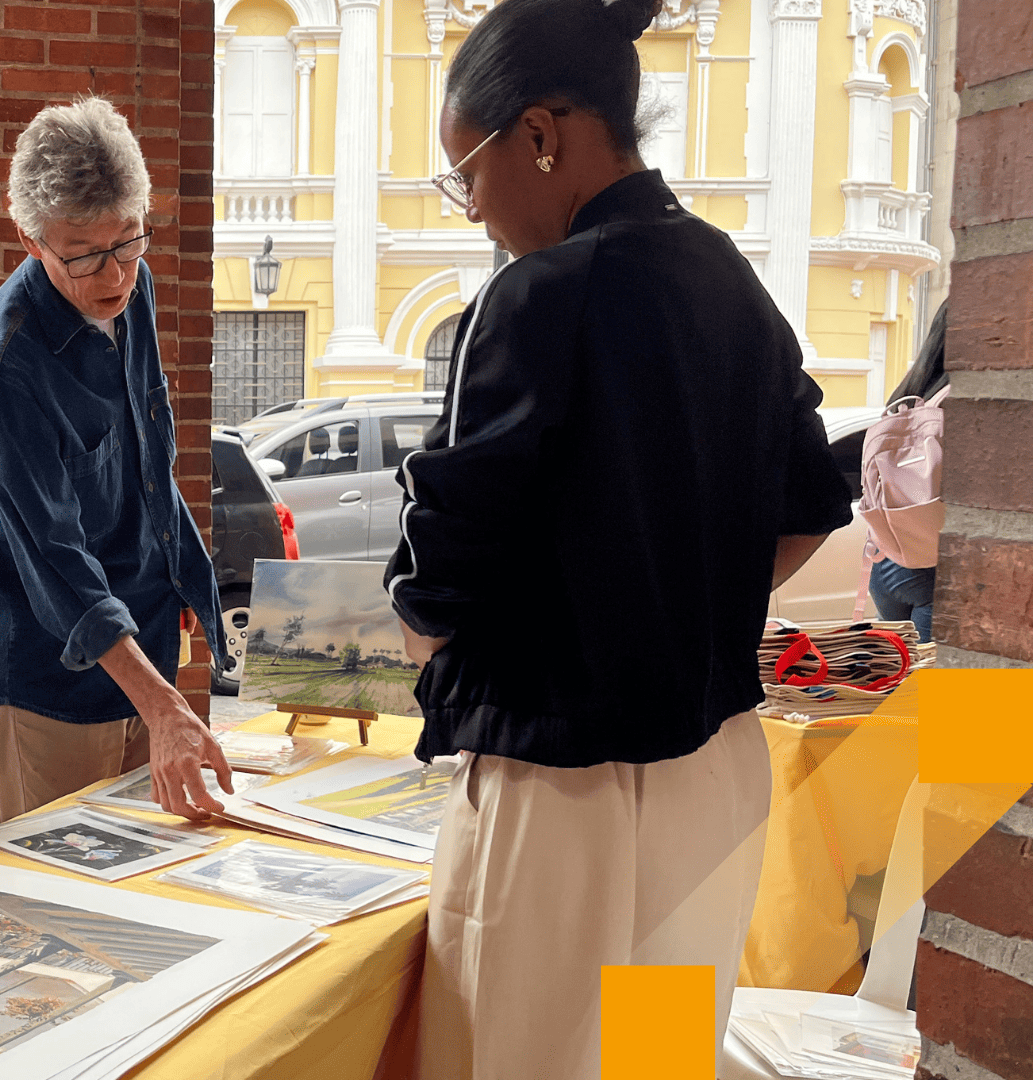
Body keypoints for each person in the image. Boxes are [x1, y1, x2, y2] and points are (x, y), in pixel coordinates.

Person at [384, 1, 851, 1075]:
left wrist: (441, 650)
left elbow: (442, 566)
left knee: (520, 1059)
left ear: (539, 134)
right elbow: (806, 504)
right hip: (714, 769)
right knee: (660, 1060)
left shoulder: (537, 294)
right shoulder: (729, 276)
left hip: (560, 792)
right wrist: (686, 605)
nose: (473, 209)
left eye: (467, 174)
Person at [0, 98, 228, 823]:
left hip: (151, 647)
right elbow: (53, 557)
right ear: (30, 238)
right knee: (61, 885)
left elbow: (151, 466)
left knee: (162, 866)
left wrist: (185, 579)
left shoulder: (134, 288)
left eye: (128, 241)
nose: (115, 277)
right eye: (84, 254)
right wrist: (162, 706)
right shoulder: (2, 365)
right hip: (57, 679)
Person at [867, 302, 947, 642]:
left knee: (901, 668)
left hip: (885, 561)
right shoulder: (972, 400)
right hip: (933, 571)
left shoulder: (909, 392)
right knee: (936, 674)